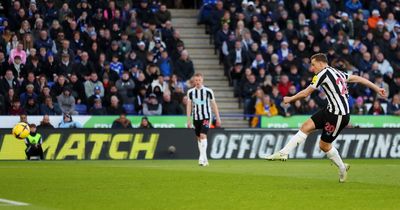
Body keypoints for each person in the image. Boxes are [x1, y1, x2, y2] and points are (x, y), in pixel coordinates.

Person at [266, 53, 386, 183]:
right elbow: (358, 78)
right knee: (305, 127)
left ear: (321, 63)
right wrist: (376, 88)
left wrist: (290, 98)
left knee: (324, 146)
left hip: (338, 116)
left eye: (313, 65)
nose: (312, 68)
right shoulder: (338, 72)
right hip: (330, 110)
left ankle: (342, 168)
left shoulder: (322, 74)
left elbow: (306, 93)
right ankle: (284, 152)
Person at [186, 73, 221, 166]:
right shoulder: (190, 92)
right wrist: (188, 119)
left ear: (202, 80)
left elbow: (214, 105)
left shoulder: (208, 91)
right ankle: (205, 159)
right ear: (194, 81)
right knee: (198, 138)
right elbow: (189, 106)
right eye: (196, 80)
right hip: (196, 117)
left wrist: (218, 118)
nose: (197, 82)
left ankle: (201, 158)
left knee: (202, 135)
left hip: (206, 117)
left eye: (199, 80)